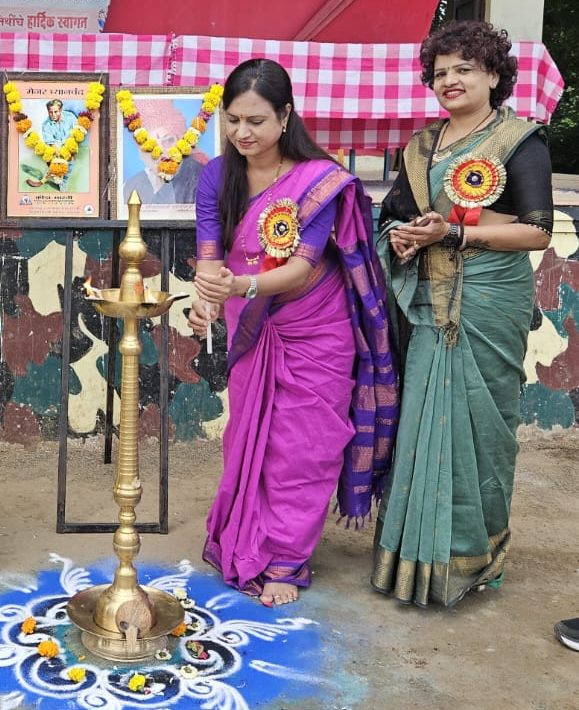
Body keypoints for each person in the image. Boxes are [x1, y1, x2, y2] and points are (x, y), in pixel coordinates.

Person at [188, 58, 397, 607]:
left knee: (303, 448)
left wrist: (239, 286)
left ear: (285, 116)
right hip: (253, 326)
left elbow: (302, 268)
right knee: (250, 441)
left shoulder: (318, 181)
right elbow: (210, 256)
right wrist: (206, 300)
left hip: (317, 328)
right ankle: (248, 540)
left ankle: (286, 560)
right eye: (233, 119)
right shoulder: (217, 175)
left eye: (256, 121)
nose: (242, 133)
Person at [371, 21, 553, 608]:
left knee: (481, 428)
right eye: (440, 72)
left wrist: (454, 233)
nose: (449, 80)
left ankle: (475, 557)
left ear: (494, 75)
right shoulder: (421, 147)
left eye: (464, 69)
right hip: (430, 303)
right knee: (423, 420)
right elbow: (393, 217)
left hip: (488, 303)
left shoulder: (520, 140)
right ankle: (415, 562)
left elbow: (538, 231)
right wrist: (403, 238)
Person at [123, 98, 206, 205]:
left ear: (180, 142)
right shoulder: (130, 186)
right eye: (150, 146)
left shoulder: (202, 178)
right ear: (140, 153)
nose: (160, 152)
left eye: (168, 140)